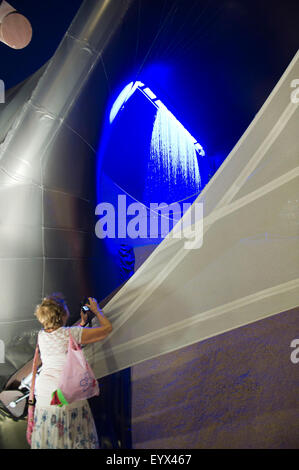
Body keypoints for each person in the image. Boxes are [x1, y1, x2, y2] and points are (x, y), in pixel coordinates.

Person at [30, 293, 113, 449]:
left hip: (44, 395)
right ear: (63, 314)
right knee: (74, 436)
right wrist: (97, 311)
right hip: (66, 392)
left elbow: (60, 336)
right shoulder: (71, 333)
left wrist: (81, 324)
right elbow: (107, 329)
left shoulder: (42, 336)